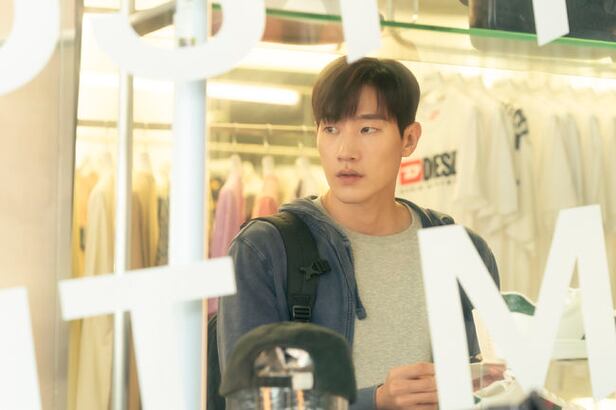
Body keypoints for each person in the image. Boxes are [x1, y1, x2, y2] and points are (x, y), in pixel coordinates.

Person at [218, 56, 500, 410]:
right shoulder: (266, 250)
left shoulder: (462, 250)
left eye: (368, 129)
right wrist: (375, 401)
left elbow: (490, 389)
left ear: (409, 139)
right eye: (331, 129)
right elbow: (253, 404)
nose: (345, 152)